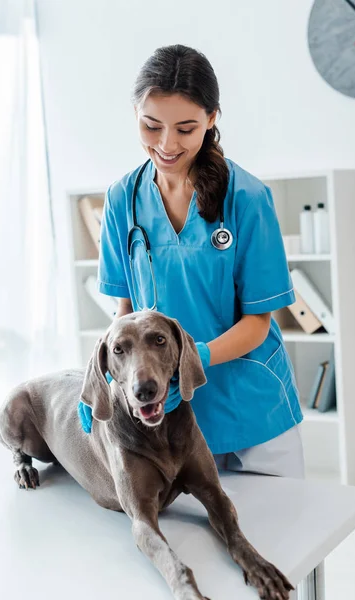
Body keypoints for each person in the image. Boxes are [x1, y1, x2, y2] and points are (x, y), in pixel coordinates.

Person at [79, 44, 304, 478]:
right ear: (135, 114)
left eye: (185, 128)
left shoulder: (247, 199)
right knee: (201, 541)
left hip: (252, 408)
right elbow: (125, 314)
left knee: (290, 541)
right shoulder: (121, 200)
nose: (166, 144)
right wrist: (108, 382)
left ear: (212, 119)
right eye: (151, 125)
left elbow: (258, 323)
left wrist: (191, 360)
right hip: (169, 415)